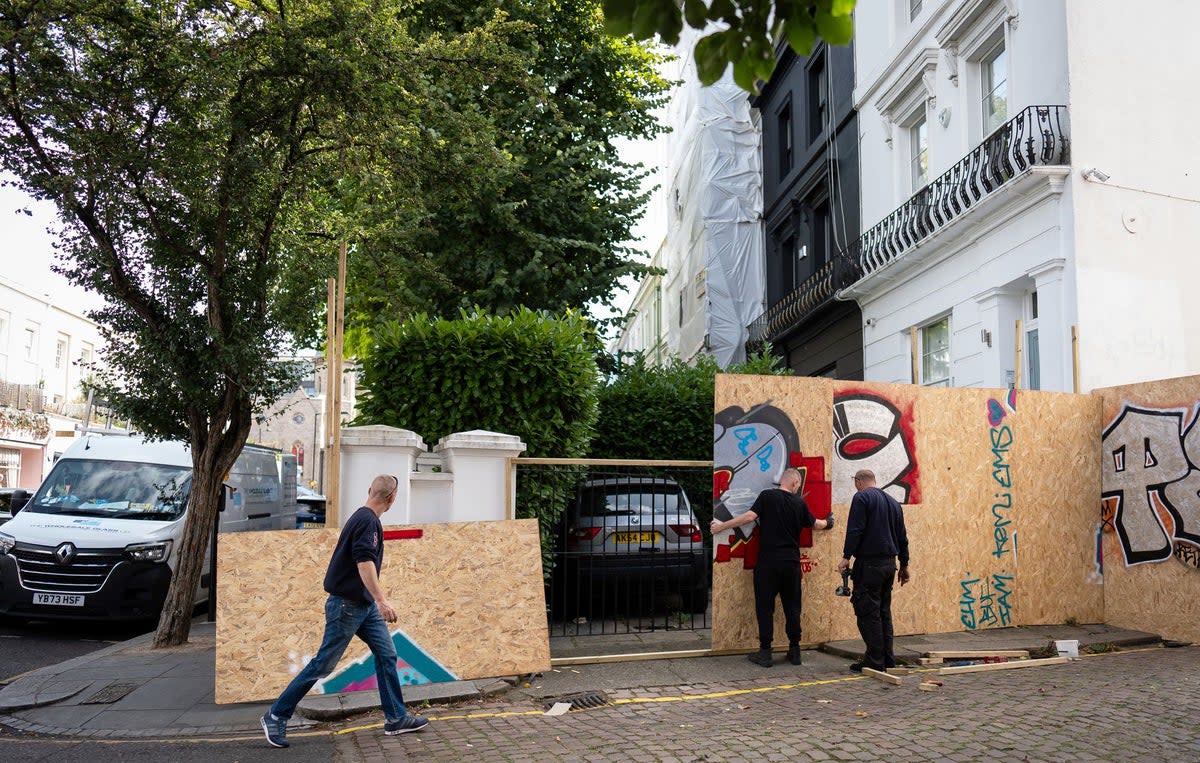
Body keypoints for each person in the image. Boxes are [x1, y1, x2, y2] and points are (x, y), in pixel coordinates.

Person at [260, 474, 428, 748]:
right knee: (323, 664)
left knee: (387, 654)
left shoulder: (363, 518)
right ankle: (276, 715)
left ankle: (396, 718)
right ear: (391, 498)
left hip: (362, 605)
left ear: (370, 490)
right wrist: (382, 600)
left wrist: (373, 602)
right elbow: (364, 563)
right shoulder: (367, 521)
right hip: (348, 606)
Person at [710, 467, 833, 668]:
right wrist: (829, 522)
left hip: (768, 563)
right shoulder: (799, 503)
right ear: (794, 483)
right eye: (798, 485)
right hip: (791, 563)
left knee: (765, 607)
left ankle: (765, 653)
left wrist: (721, 526)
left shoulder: (767, 497)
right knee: (792, 607)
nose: (798, 488)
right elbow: (816, 524)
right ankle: (795, 651)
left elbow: (749, 517)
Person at [837, 469, 911, 674]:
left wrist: (846, 556)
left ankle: (874, 661)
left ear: (859, 481)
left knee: (868, 612)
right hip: (889, 564)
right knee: (883, 612)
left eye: (855, 482)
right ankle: (888, 659)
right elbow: (902, 537)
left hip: (869, 564)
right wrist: (904, 565)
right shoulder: (893, 503)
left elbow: (856, 529)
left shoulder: (862, 497)